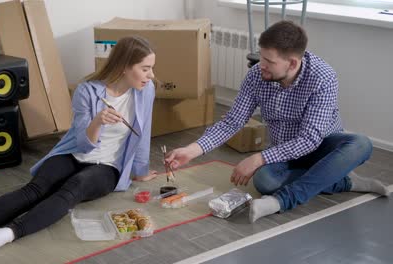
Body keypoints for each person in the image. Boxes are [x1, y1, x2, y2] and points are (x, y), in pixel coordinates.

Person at [165, 21, 390, 223]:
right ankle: (344, 181)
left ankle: (280, 202)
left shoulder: (323, 78)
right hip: (284, 151)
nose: (261, 64)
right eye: (261, 57)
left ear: (292, 64)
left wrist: (258, 157)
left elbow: (310, 140)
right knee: (265, 181)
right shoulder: (256, 76)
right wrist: (192, 150)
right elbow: (232, 122)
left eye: (269, 61)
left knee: (361, 144)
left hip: (322, 146)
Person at [0, 36, 158, 255]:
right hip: (74, 154)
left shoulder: (146, 91)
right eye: (145, 69)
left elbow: (143, 132)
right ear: (125, 67)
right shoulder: (86, 90)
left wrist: (139, 170)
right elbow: (83, 143)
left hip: (107, 166)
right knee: (34, 190)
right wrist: (98, 121)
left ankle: (4, 235)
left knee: (73, 188)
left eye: (151, 69)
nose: (151, 75)